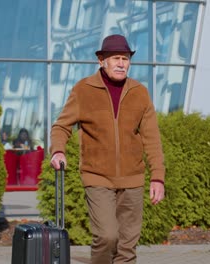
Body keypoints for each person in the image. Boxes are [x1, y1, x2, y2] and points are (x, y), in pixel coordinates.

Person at [50, 34, 165, 264]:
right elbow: (61, 126)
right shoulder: (83, 90)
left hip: (133, 180)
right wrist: (58, 150)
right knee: (107, 236)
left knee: (127, 247)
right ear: (101, 60)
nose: (121, 63)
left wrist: (158, 178)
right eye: (115, 58)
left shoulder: (140, 92)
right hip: (97, 177)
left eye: (125, 58)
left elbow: (152, 138)